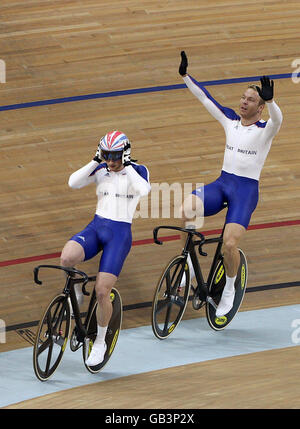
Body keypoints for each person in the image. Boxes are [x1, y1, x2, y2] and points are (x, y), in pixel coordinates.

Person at [178, 51, 283, 317]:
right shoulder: (230, 120)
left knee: (229, 245)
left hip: (245, 193)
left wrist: (271, 101)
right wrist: (185, 76)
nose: (244, 102)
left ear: (260, 108)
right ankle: (189, 266)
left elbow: (279, 120)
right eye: (243, 98)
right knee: (186, 208)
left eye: (251, 100)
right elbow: (205, 98)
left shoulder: (265, 130)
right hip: (223, 183)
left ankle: (230, 288)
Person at [60, 130, 151, 366]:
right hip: (96, 227)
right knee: (67, 258)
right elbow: (73, 182)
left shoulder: (138, 171)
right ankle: (77, 291)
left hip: (119, 236)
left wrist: (127, 165)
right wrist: (94, 160)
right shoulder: (101, 169)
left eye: (116, 156)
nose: (111, 161)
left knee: (102, 291)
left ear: (126, 153)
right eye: (107, 155)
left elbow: (145, 191)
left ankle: (100, 342)